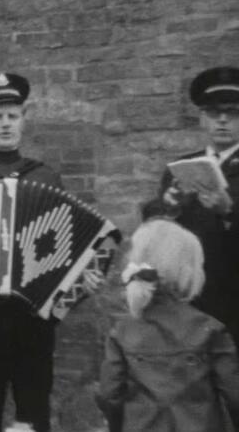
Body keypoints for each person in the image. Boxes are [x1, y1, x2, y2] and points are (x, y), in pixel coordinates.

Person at [0, 74, 104, 432]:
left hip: (33, 314)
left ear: (24, 120)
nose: (5, 124)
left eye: (12, 115)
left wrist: (81, 273)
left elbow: (68, 240)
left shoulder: (45, 176)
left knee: (35, 405)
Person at [97, 219, 239, 432]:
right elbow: (234, 396)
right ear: (189, 270)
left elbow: (109, 395)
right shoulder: (210, 329)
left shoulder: (123, 332)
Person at [158, 66, 239, 347]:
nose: (223, 120)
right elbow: (157, 236)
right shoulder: (179, 168)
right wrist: (169, 209)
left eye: (232, 112)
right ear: (202, 118)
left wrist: (228, 212)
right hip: (189, 299)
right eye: (213, 112)